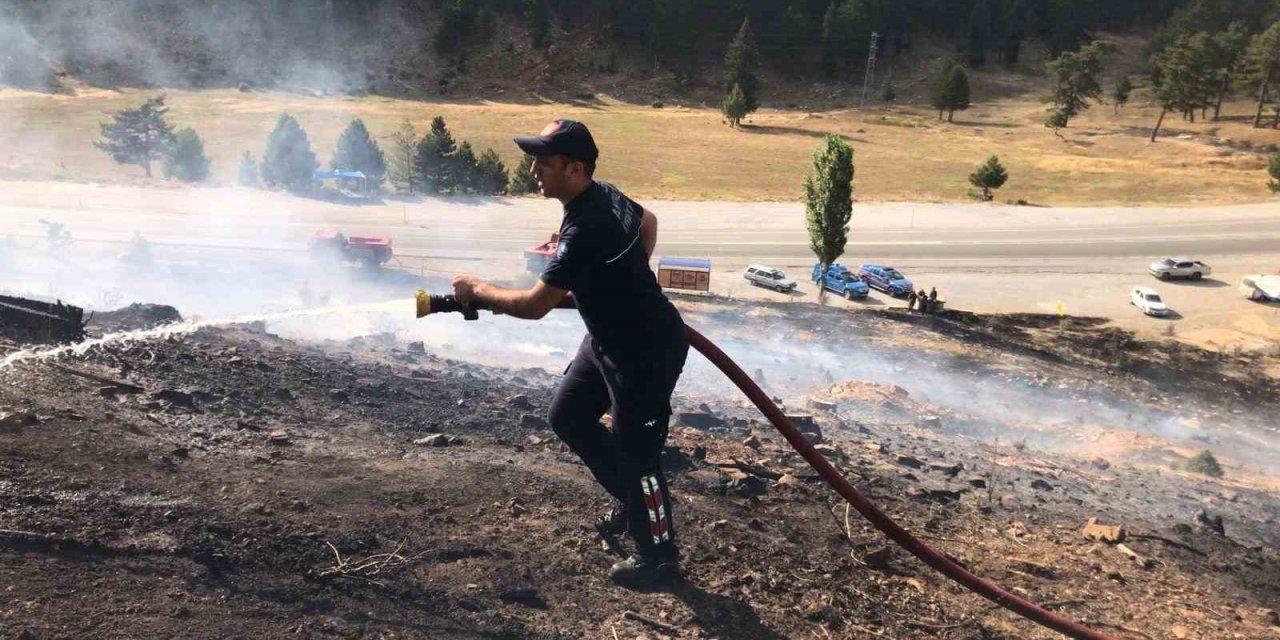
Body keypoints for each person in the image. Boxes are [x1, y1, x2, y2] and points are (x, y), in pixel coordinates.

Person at [450, 120, 688, 586]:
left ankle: (659, 558)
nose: (534, 169)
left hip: (646, 351)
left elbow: (535, 305)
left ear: (575, 169)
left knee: (638, 455)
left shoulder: (584, 228)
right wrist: (623, 282)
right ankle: (633, 501)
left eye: (544, 162)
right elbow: (648, 222)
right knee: (569, 416)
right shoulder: (601, 195)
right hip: (607, 341)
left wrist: (477, 289)